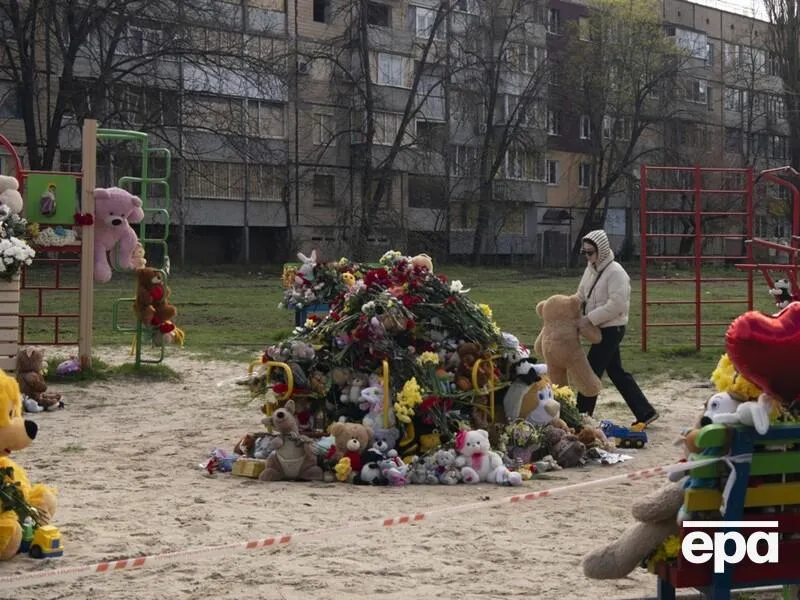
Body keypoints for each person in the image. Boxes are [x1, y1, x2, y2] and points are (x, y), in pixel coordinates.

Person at [575, 230, 659, 427]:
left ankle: (581, 416)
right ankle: (645, 412)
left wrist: (589, 319)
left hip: (612, 329)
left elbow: (617, 305)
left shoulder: (616, 272)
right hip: (599, 328)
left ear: (602, 250)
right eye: (584, 252)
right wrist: (567, 308)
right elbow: (581, 294)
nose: (587, 256)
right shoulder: (590, 269)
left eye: (590, 252)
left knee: (590, 371)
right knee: (616, 372)